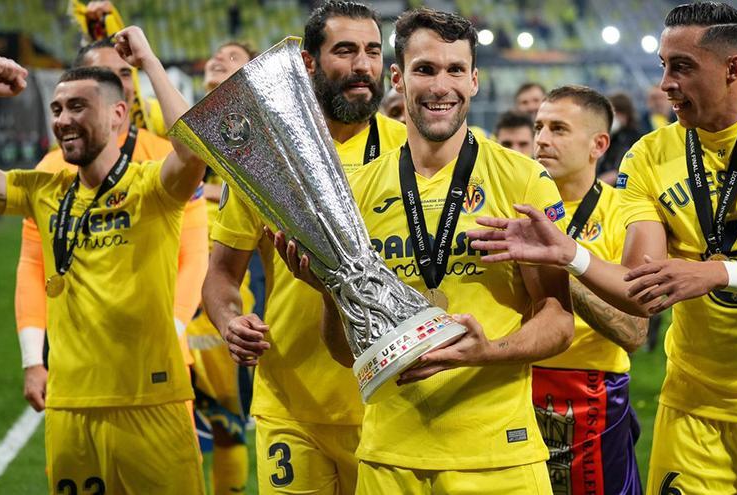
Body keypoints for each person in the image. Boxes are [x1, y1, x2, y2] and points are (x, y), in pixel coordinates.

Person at [470, 3, 737, 493]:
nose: (666, 82)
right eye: (664, 66)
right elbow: (638, 292)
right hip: (690, 408)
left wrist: (719, 273)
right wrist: (571, 255)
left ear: (733, 68)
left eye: (682, 67)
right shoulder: (649, 155)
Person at [274, 8, 573, 494]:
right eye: (425, 69)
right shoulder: (355, 193)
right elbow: (343, 349)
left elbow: (559, 322)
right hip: (389, 457)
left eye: (456, 69)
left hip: (498, 457)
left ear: (474, 80)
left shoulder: (523, 180)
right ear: (397, 78)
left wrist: (486, 353)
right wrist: (328, 291)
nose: (441, 86)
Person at [0, 26, 207, 493]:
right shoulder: (45, 188)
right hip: (70, 405)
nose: (62, 120)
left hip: (153, 402)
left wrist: (148, 61)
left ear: (119, 112)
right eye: (57, 109)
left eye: (78, 107)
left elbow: (193, 153)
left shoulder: (152, 188)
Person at [202, 2, 406, 494]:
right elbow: (222, 275)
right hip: (290, 405)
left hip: (388, 403)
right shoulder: (263, 157)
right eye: (345, 50)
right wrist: (231, 321)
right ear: (309, 63)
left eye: (373, 51)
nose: (363, 65)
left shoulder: (412, 152)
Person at [17, 36, 208, 415]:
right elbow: (34, 264)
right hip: (79, 376)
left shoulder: (165, 157)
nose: (120, 85)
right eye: (107, 75)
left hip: (158, 366)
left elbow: (195, 253)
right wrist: (32, 358)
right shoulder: (51, 169)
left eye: (126, 74)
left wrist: (170, 332)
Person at [532, 85, 646, 494]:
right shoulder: (514, 205)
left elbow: (634, 332)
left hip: (594, 391)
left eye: (558, 129)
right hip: (516, 384)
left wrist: (559, 263)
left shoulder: (627, 215)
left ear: (598, 144)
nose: (541, 139)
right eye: (539, 127)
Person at [186, 39, 256, 495]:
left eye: (234, 58)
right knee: (169, 414)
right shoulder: (177, 123)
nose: (219, 58)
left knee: (228, 420)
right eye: (216, 54)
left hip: (222, 279)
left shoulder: (256, 131)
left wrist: (204, 195)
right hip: (165, 278)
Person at [596, 92, 644, 186]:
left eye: (616, 112)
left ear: (626, 114)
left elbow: (617, 172)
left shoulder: (635, 138)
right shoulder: (611, 136)